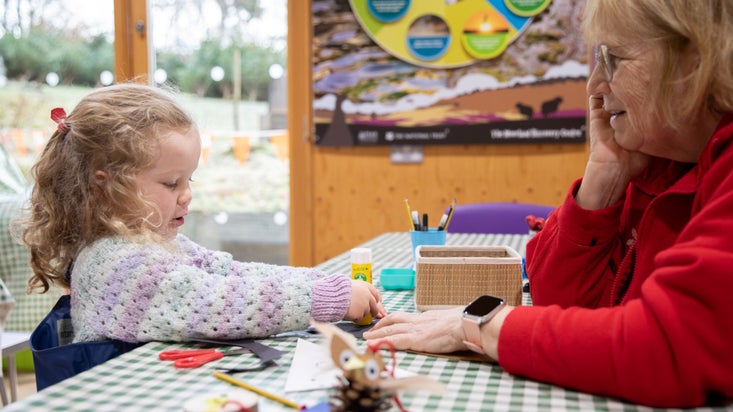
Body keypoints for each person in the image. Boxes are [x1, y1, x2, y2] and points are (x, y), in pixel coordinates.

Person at [364, 1, 733, 407]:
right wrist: (604, 176)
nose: (594, 86)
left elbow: (667, 349)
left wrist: (476, 327)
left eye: (614, 59)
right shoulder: (657, 163)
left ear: (696, 58)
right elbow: (563, 304)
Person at [21, 83, 386, 345]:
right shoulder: (114, 264)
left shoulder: (158, 245)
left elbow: (234, 273)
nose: (187, 195)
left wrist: (325, 284)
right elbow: (220, 301)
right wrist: (327, 300)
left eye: (189, 179)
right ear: (105, 185)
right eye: (170, 184)